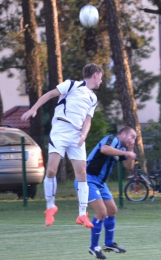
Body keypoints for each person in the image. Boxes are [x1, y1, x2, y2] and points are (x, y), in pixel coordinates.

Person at [21, 63, 104, 228]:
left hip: (77, 136)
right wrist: (34, 108)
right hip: (60, 129)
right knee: (51, 169)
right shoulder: (72, 84)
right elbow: (50, 94)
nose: (102, 81)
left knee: (82, 174)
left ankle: (82, 214)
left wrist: (84, 134)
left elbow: (88, 120)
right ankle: (50, 207)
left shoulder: (93, 98)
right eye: (101, 77)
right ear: (95, 75)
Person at [75, 126, 137, 259]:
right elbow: (104, 149)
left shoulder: (122, 149)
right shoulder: (112, 139)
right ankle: (94, 247)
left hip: (100, 183)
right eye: (132, 136)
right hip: (88, 179)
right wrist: (127, 153)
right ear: (123, 133)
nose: (133, 139)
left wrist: (130, 150)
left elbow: (129, 166)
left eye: (135, 138)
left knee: (112, 210)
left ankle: (108, 243)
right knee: (101, 212)